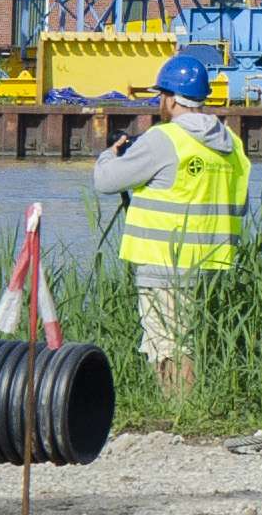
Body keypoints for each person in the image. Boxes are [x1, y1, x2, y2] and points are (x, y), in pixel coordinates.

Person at [90, 47, 249, 397]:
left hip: (166, 261)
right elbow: (240, 203)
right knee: (189, 340)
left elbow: (105, 181)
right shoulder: (232, 145)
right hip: (214, 262)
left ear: (173, 98)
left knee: (168, 344)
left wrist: (109, 155)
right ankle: (189, 406)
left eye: (161, 95)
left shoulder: (164, 139)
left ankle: (181, 410)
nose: (160, 103)